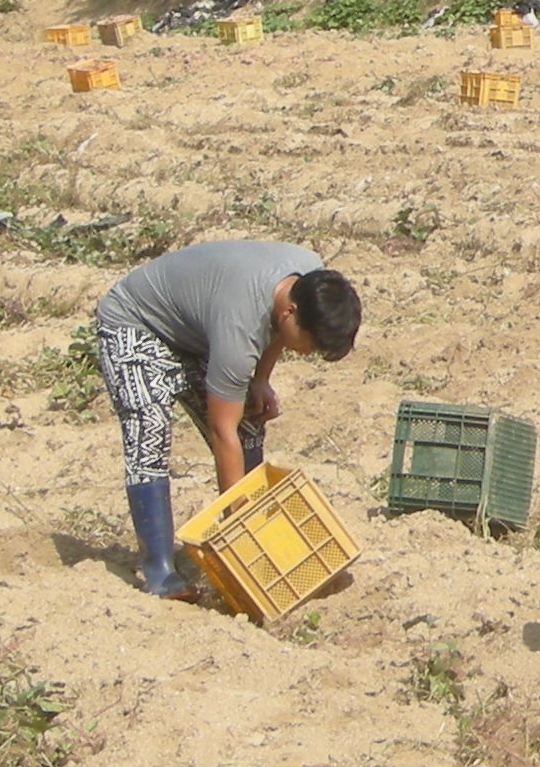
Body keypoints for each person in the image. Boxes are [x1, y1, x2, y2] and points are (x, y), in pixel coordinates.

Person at [92, 240, 364, 596]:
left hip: (200, 328)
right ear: (291, 313)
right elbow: (224, 432)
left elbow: (275, 332)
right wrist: (240, 523)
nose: (309, 353)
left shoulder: (311, 278)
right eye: (310, 345)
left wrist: (261, 379)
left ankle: (250, 542)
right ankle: (160, 571)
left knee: (250, 420)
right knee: (150, 433)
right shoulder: (240, 327)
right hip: (137, 323)